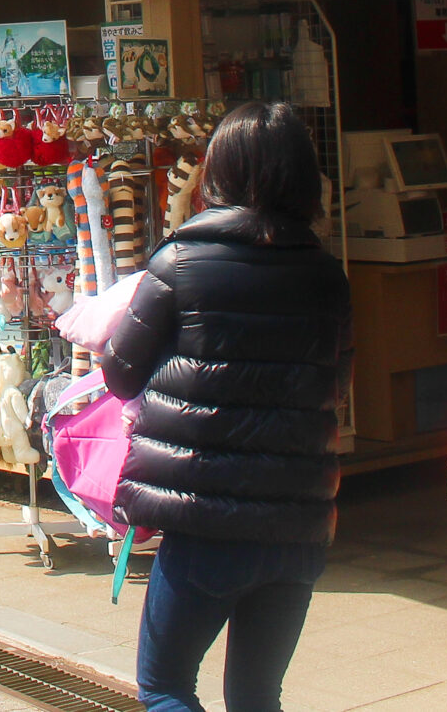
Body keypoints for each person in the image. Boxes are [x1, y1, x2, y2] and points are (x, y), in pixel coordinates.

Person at [100, 100, 352, 712]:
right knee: (258, 695)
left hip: (205, 521)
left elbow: (119, 373)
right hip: (296, 525)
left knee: (164, 687)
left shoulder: (180, 262)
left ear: (220, 171)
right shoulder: (327, 276)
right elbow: (335, 384)